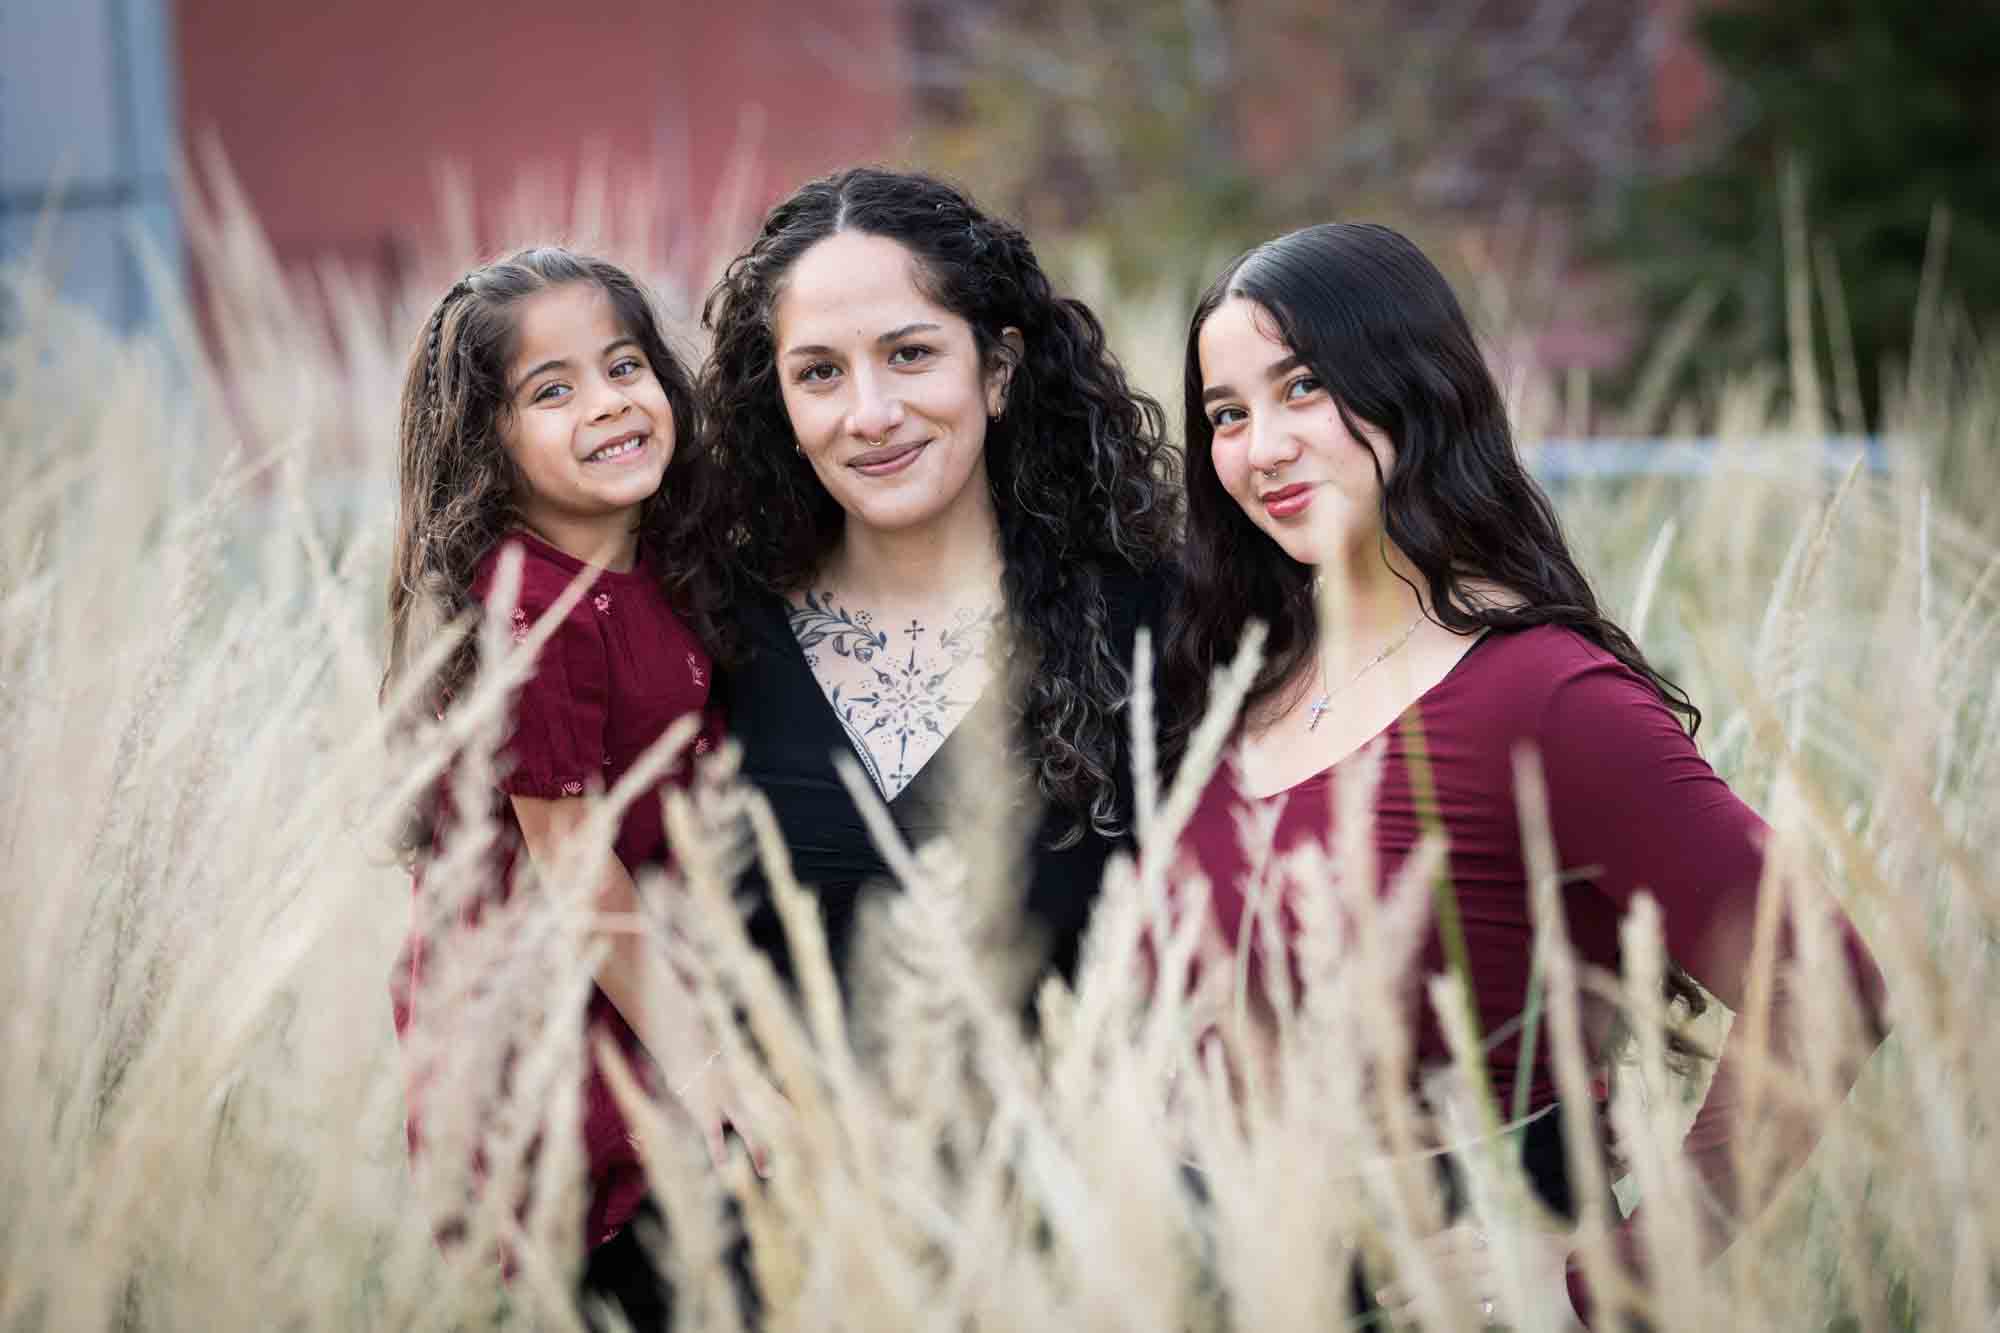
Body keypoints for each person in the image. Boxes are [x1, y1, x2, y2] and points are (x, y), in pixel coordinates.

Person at [1157, 222, 1889, 1327]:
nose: (1260, 447)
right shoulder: (1225, 680)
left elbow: (1820, 985)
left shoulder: (1541, 692)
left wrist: (1618, 1271)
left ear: (1411, 387)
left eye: (1301, 389)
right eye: (1225, 414)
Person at [668, 166, 1180, 1005]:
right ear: (781, 403)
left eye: (909, 354)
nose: (870, 413)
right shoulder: (710, 630)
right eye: (820, 372)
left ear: (998, 368)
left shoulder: (1149, 619)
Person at [382, 248, 763, 1331]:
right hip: (556, 1047)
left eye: (625, 366)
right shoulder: (527, 605)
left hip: (640, 998)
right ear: (487, 442)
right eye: (553, 391)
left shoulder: (652, 567)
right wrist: (710, 1072)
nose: (607, 404)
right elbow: (575, 871)